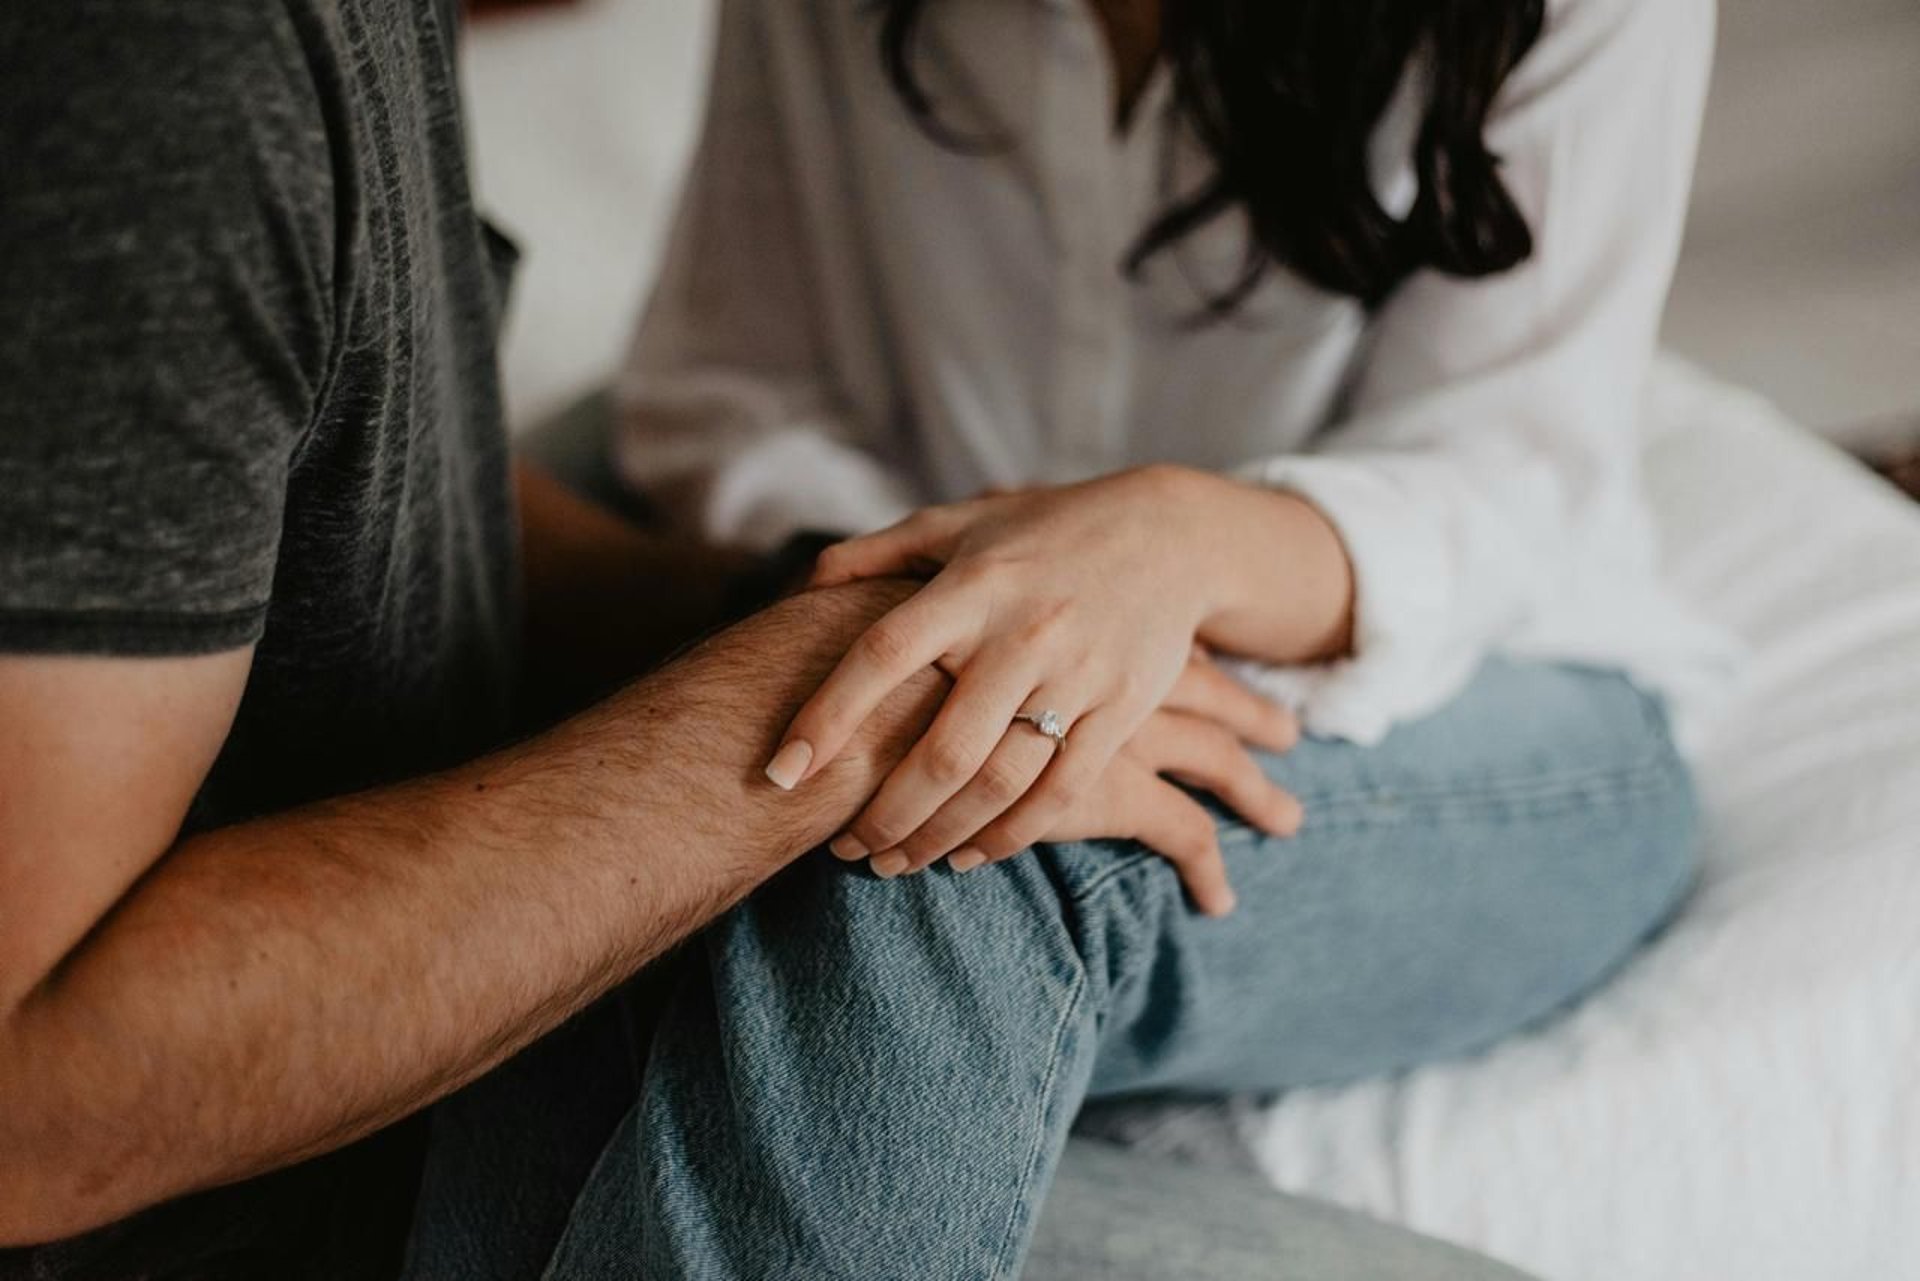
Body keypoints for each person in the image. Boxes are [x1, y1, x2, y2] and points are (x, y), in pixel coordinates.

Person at [0, 2, 1338, 1278]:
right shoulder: (155, 65)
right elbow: (27, 1101)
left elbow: (338, 484)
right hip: (291, 1204)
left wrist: (800, 605)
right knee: (967, 827)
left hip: (453, 1054)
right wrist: (834, 698)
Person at [600, 0, 1726, 1274]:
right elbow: (731, 385)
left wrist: (1168, 547)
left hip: (1481, 675)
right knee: (826, 754)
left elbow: (1512, 475)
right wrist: (962, 615)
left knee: (960, 832)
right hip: (901, 565)